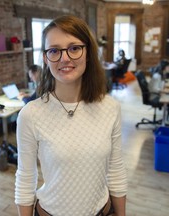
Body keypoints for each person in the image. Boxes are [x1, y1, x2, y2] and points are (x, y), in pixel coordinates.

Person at [15, 15, 127, 216]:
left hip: (102, 211)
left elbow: (116, 170)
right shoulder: (31, 114)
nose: (65, 58)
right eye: (55, 50)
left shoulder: (110, 107)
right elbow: (25, 177)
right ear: (45, 58)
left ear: (88, 53)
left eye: (74, 48)